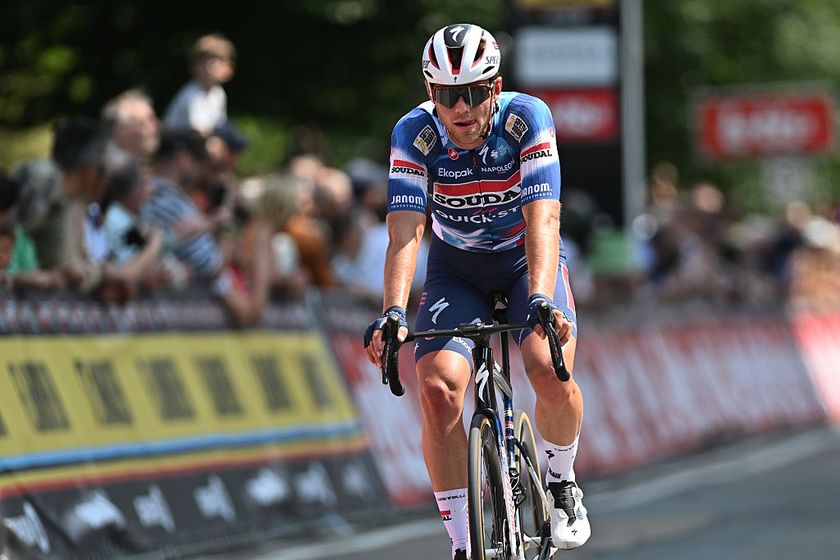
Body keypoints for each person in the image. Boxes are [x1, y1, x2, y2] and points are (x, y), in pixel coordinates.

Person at [362, 23, 590, 559]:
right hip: (456, 271)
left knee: (546, 366)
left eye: (472, 92)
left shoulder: (526, 118)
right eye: (447, 95)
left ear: (495, 87)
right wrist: (393, 310)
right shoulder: (413, 133)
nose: (461, 107)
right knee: (438, 390)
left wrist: (540, 296)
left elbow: (543, 216)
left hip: (524, 261)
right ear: (430, 92)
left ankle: (562, 482)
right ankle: (464, 543)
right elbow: (405, 230)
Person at [164, 33, 236, 136]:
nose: (212, 68)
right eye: (209, 62)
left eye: (220, 62)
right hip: (178, 140)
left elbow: (219, 125)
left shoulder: (218, 93)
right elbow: (198, 131)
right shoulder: (192, 94)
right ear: (195, 66)